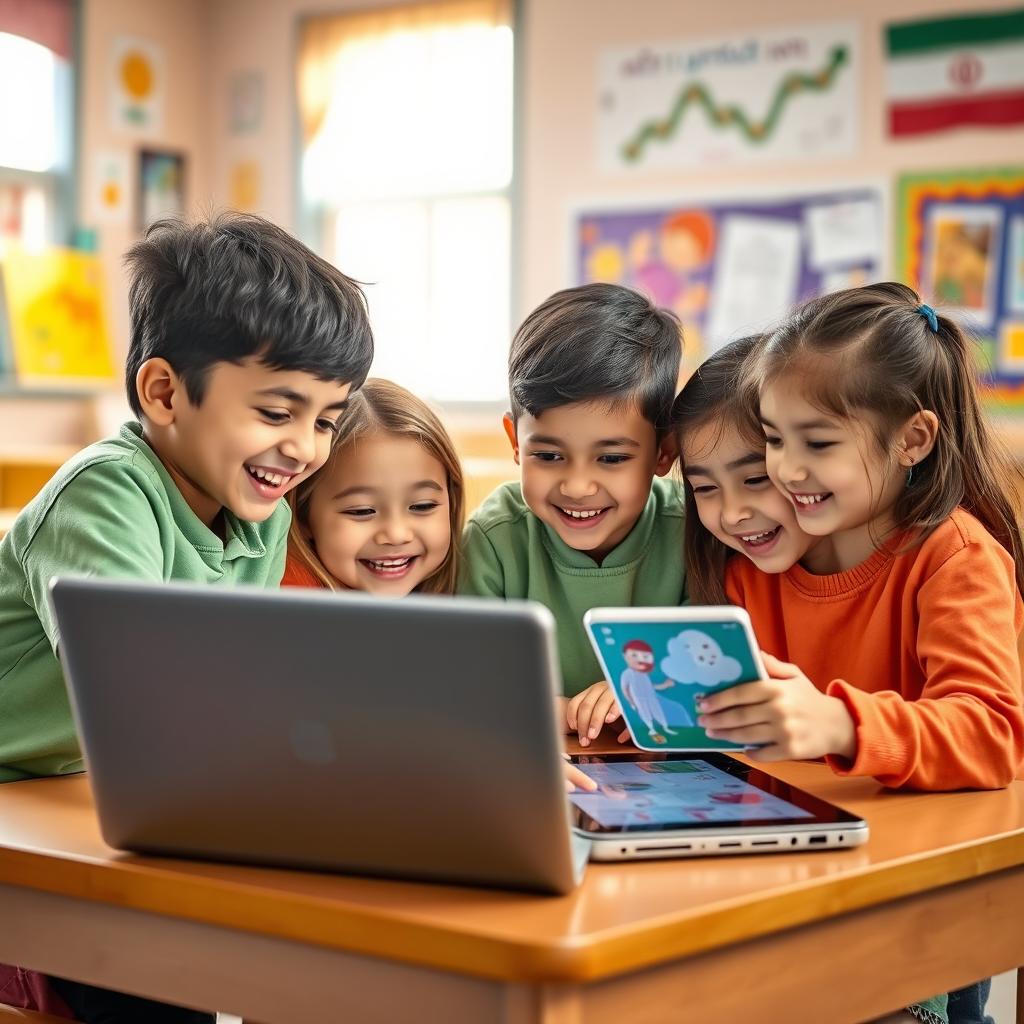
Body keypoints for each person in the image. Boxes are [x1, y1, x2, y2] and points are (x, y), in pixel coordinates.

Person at [0, 211, 374, 1022]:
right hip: (17, 807)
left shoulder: (262, 514)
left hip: (85, 796)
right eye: (278, 413)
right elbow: (143, 696)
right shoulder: (105, 495)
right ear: (165, 393)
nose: (307, 448)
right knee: (156, 959)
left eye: (326, 419)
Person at [699, 283, 1024, 1024]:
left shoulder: (956, 557)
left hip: (918, 894)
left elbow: (993, 732)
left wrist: (840, 726)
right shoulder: (760, 568)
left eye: (818, 443)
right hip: (794, 880)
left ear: (912, 439)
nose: (786, 469)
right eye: (775, 439)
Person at [458, 283, 686, 744]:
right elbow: (466, 683)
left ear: (664, 451)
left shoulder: (694, 534)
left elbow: (714, 674)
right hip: (535, 760)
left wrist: (638, 696)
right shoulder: (494, 538)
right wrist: (560, 712)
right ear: (515, 442)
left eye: (612, 458)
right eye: (549, 456)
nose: (577, 487)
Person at [284, 378, 463, 597]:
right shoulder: (294, 604)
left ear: (451, 504)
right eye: (362, 511)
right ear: (302, 516)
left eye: (422, 506)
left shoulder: (471, 584)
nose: (396, 534)